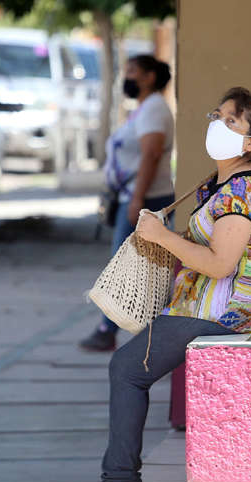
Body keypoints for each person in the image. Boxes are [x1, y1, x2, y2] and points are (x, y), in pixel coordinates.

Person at [69, 87, 251, 482]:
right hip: (199, 308)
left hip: (222, 315)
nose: (217, 125)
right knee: (127, 368)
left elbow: (221, 264)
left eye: (231, 121)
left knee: (126, 369)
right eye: (216, 114)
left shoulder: (245, 191)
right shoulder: (222, 184)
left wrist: (164, 237)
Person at [79, 55, 175, 352]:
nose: (127, 77)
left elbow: (151, 154)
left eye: (132, 71)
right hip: (135, 197)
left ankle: (109, 329)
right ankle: (128, 329)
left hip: (145, 199)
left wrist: (137, 198)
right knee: (134, 268)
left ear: (148, 77)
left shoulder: (154, 109)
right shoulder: (144, 109)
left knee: (123, 267)